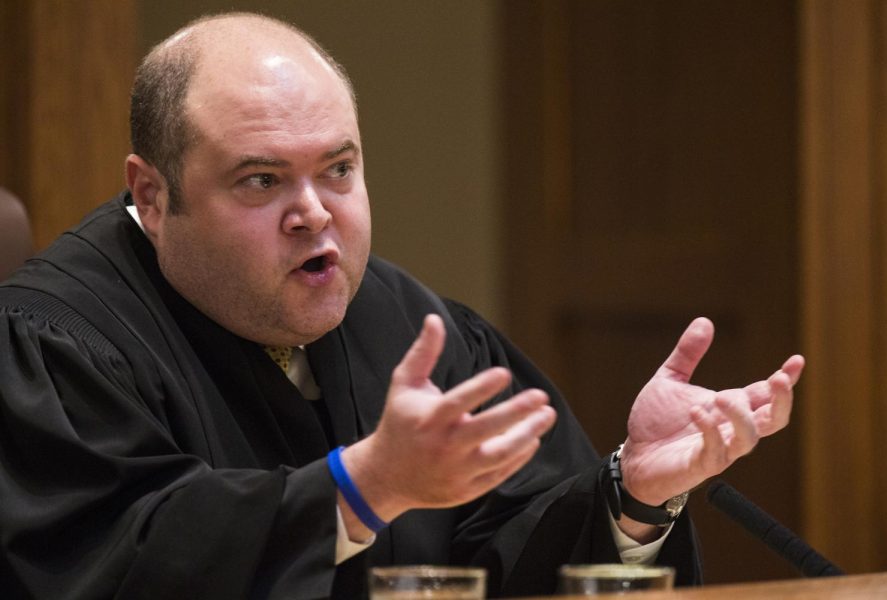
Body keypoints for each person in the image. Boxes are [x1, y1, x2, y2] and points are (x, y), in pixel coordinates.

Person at [0, 12, 804, 599]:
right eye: (262, 180)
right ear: (153, 191)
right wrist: (359, 488)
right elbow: (113, 567)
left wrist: (629, 497)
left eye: (339, 169)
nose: (313, 212)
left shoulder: (413, 327)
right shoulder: (56, 344)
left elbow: (504, 557)